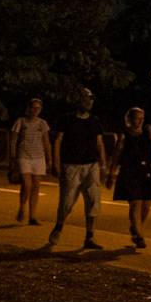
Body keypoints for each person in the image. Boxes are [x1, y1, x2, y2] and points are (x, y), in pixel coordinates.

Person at [47, 88, 113, 251]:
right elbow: (58, 141)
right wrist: (56, 163)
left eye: (92, 98)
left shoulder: (95, 121)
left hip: (91, 165)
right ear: (79, 100)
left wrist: (103, 165)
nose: (90, 101)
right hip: (71, 165)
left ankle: (89, 236)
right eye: (87, 98)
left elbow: (99, 143)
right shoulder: (67, 119)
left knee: (93, 200)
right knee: (67, 201)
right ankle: (59, 226)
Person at [113, 106, 151, 249]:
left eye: (142, 118)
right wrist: (111, 174)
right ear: (130, 119)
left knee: (146, 205)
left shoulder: (147, 134)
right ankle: (139, 235)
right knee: (136, 203)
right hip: (130, 172)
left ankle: (135, 228)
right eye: (137, 117)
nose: (141, 120)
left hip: (145, 172)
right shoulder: (125, 135)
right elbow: (117, 154)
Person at [6, 96, 50, 225]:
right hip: (24, 156)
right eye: (33, 107)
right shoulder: (21, 121)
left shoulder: (42, 123)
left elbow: (46, 142)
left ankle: (33, 216)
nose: (35, 110)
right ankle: (22, 208)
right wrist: (12, 157)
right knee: (27, 184)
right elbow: (13, 140)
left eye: (38, 108)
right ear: (29, 108)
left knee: (36, 186)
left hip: (39, 157)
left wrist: (50, 159)